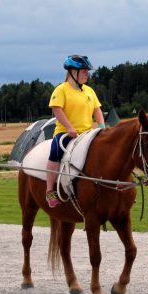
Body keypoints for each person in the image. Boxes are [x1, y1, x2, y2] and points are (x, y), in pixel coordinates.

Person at [45, 55, 104, 208]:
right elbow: (56, 109)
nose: (87, 74)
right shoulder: (61, 89)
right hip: (66, 133)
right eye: (84, 71)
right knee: (55, 150)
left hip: (87, 134)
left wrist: (102, 127)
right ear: (73, 71)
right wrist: (70, 128)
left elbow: (97, 110)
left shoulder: (90, 91)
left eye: (87, 71)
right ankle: (50, 191)